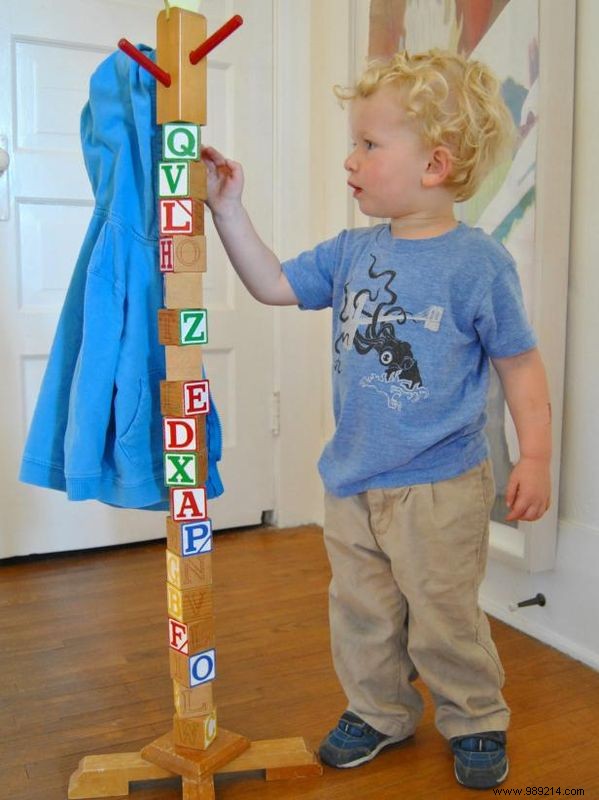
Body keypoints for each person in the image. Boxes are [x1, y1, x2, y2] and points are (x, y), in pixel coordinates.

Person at [202, 49, 552, 790]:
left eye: (368, 144)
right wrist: (227, 208)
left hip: (440, 484)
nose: (349, 160)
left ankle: (475, 716)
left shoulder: (476, 264)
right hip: (353, 477)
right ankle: (380, 710)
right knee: (360, 612)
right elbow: (269, 284)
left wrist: (534, 458)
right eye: (352, 143)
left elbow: (518, 363)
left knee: (442, 615)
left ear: (435, 163)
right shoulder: (351, 252)